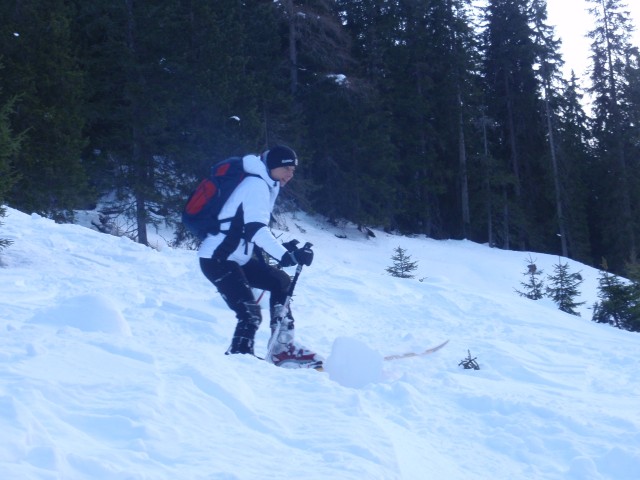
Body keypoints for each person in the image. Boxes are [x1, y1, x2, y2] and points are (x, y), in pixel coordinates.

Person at [198, 145, 322, 368]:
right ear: (272, 166)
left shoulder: (262, 183)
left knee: (280, 281)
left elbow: (247, 227)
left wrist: (283, 249)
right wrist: (285, 255)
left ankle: (282, 347)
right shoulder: (256, 185)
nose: (290, 174)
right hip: (218, 259)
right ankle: (240, 361)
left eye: (293, 170)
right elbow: (255, 229)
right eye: (286, 169)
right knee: (249, 314)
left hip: (236, 257)